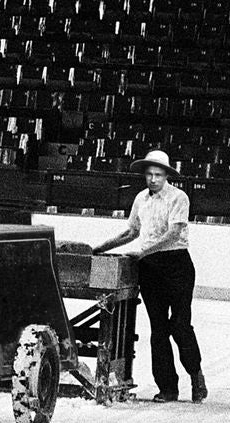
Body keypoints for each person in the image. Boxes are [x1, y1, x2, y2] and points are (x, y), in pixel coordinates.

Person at [93, 149, 207, 404]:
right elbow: (131, 231)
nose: (153, 179)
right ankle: (168, 388)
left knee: (179, 325)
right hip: (150, 268)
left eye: (158, 174)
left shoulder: (179, 198)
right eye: (149, 175)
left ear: (167, 175)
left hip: (176, 265)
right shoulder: (140, 199)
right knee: (158, 329)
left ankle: (195, 375)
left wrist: (143, 251)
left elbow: (173, 233)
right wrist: (101, 247)